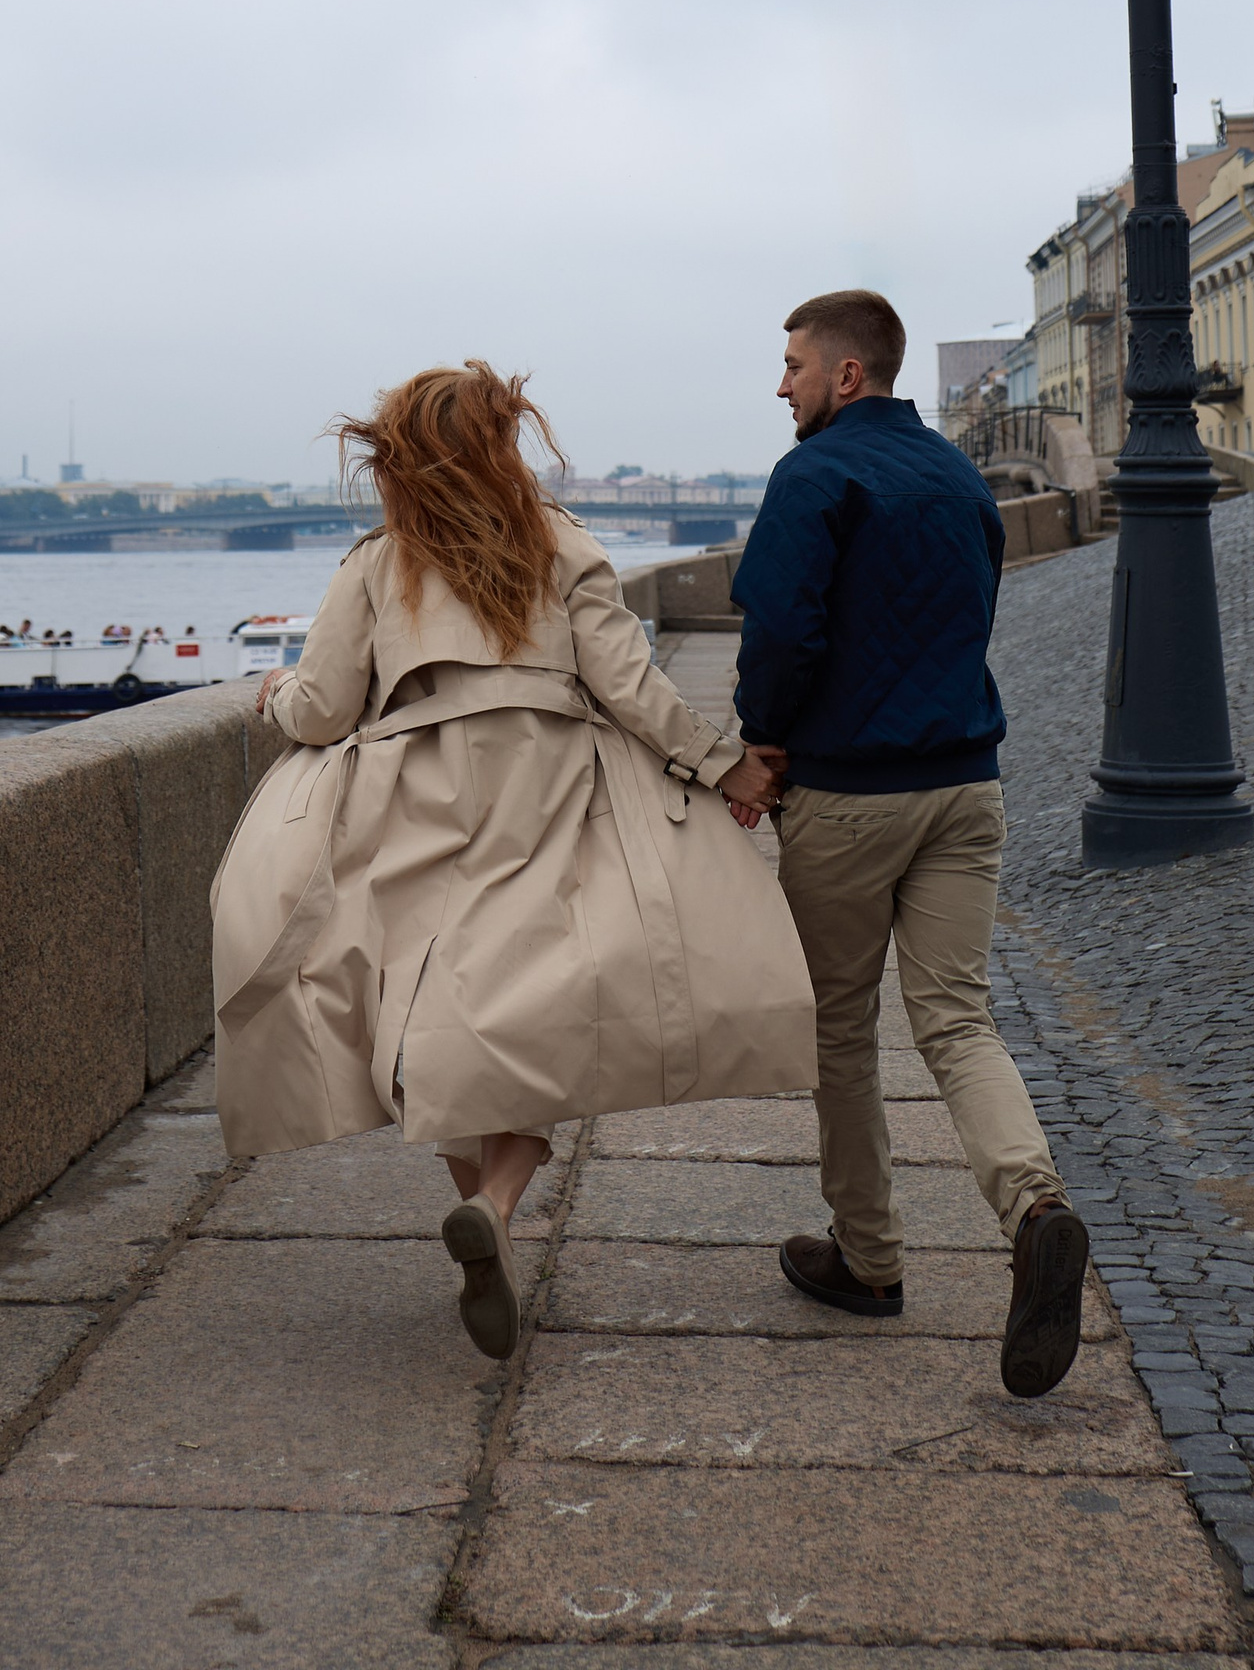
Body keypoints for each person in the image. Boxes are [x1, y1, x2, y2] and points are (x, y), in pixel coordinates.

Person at [211, 361, 815, 1359]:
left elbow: (319, 707)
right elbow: (629, 683)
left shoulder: (378, 560)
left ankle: (488, 1214)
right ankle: (496, 1202)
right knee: (538, 992)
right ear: (503, 439)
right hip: (550, 782)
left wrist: (269, 692)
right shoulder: (561, 538)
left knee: (443, 1002)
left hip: (420, 792)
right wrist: (722, 767)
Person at [730, 288, 1089, 1399]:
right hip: (963, 783)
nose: (778, 383)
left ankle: (871, 1259)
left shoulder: (813, 473)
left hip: (848, 792)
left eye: (792, 364)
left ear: (846, 375)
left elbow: (783, 627)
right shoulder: (955, 476)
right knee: (956, 1015)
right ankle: (1033, 1204)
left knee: (842, 1025)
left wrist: (764, 740)